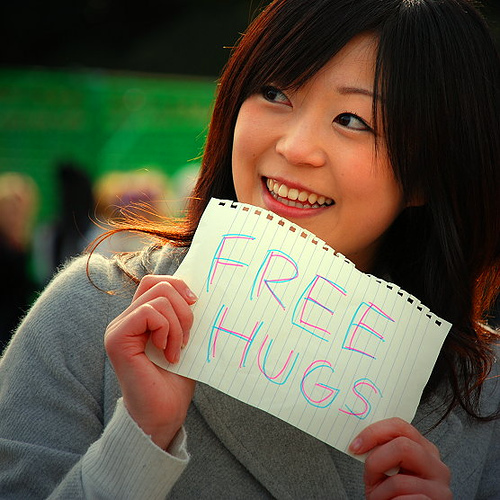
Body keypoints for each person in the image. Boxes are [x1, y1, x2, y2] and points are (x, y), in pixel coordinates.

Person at [0, 0, 499, 498]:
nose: (294, 147)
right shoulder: (93, 313)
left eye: (353, 120)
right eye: (275, 91)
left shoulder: (487, 394)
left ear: (429, 171)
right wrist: (139, 441)